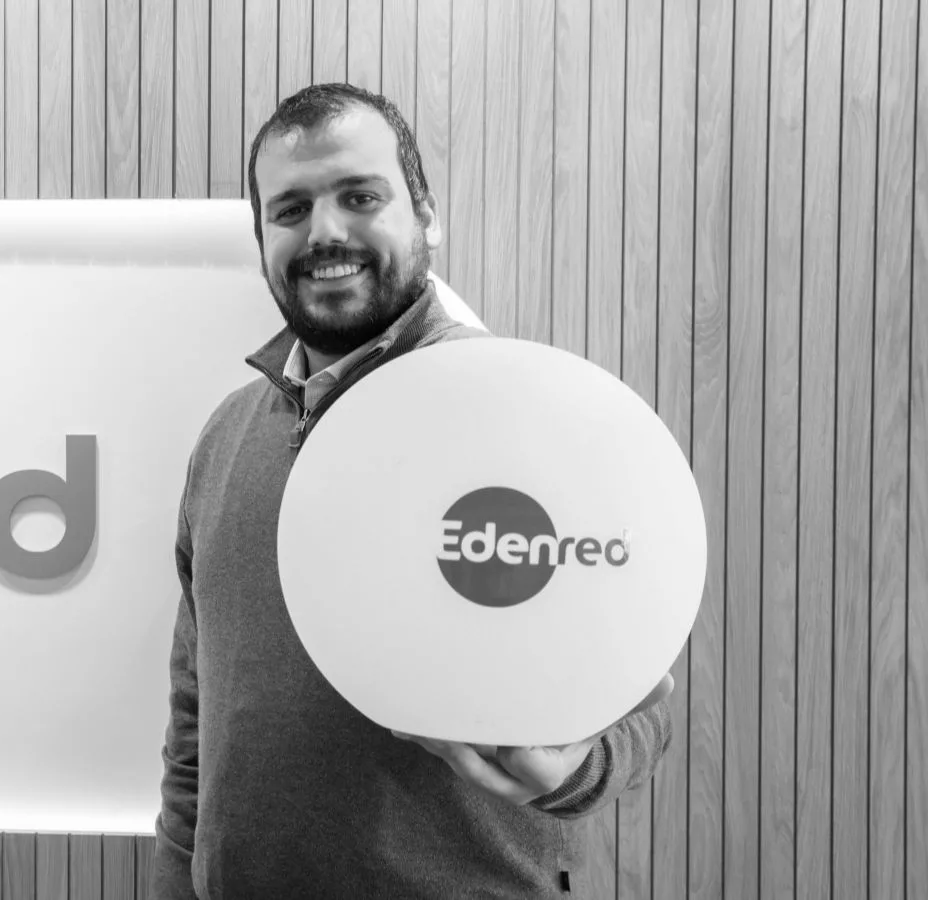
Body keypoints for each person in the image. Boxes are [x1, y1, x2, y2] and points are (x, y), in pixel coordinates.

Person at [151, 82, 674, 899]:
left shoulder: (528, 413)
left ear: (426, 215)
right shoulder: (226, 437)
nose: (325, 232)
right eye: (290, 209)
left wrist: (575, 770)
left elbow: (643, 703)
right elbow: (195, 721)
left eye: (359, 197)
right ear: (262, 240)